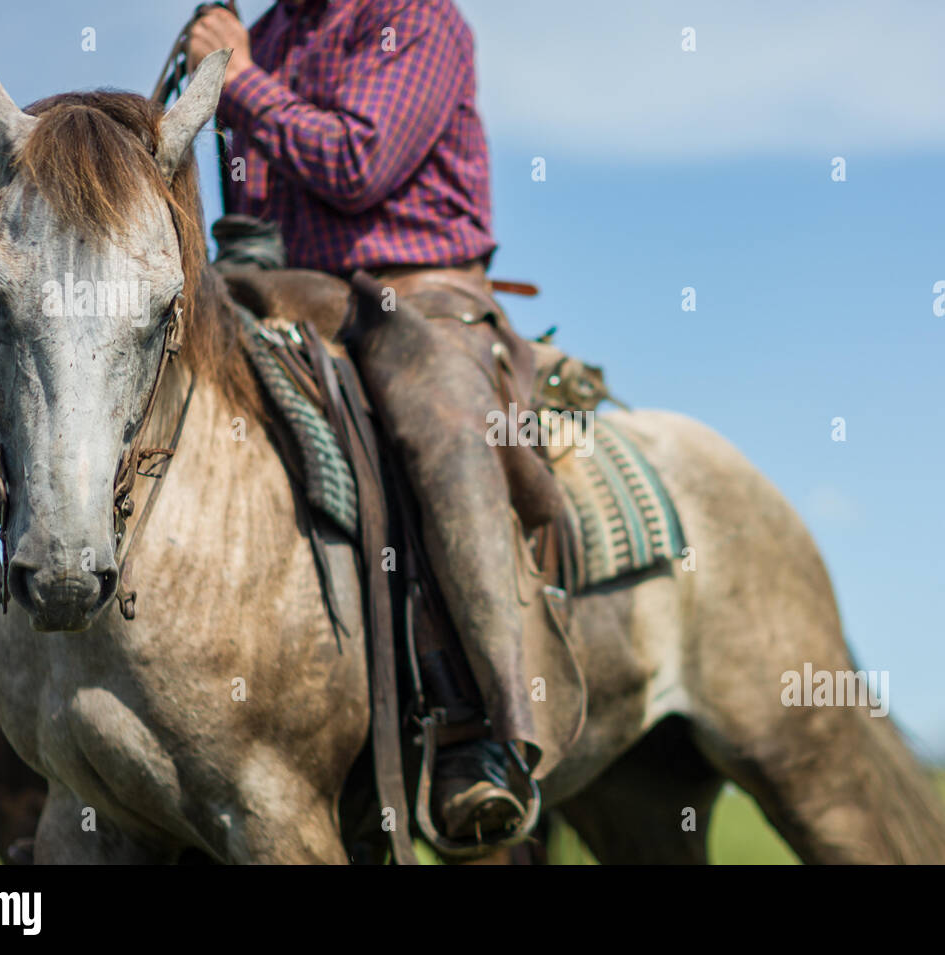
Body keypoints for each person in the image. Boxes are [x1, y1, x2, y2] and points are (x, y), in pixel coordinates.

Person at [186, 0, 553, 851]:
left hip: (418, 294)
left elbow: (360, 163)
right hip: (284, 298)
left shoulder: (419, 20)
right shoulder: (269, 30)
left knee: (443, 431)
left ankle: (485, 727)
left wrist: (235, 80)